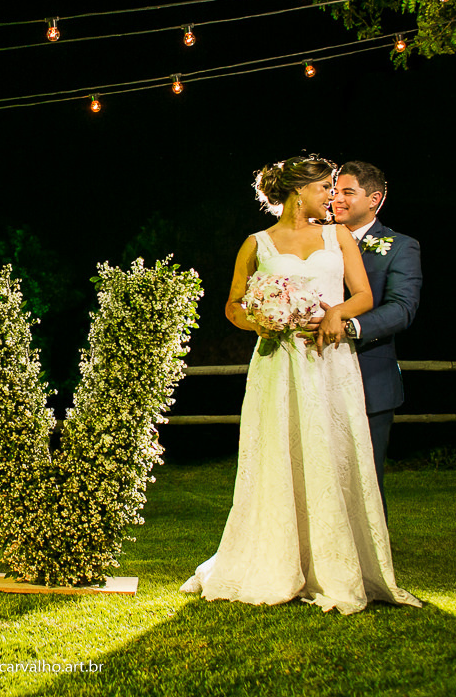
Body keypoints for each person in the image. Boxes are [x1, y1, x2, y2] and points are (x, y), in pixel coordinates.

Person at [180, 155, 420, 614]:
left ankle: (335, 564)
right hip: (278, 362)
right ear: (298, 191)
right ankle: (277, 560)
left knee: (333, 452)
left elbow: (364, 295)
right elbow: (233, 305)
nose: (332, 196)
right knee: (279, 453)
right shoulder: (256, 243)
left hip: (330, 362)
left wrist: (337, 313)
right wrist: (260, 322)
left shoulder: (338, 236)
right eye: (325, 187)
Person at [328, 160, 421, 522]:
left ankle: (371, 555)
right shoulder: (317, 241)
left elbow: (402, 309)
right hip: (315, 374)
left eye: (348, 192)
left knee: (365, 480)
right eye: (334, 191)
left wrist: (350, 326)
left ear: (374, 199)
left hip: (370, 378)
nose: (337, 199)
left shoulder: (400, 247)